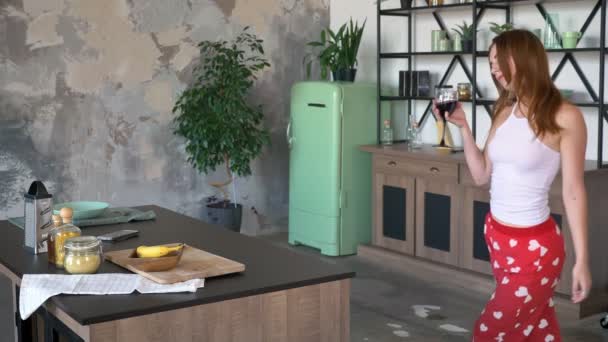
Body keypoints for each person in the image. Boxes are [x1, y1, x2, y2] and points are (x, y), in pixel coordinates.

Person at [432, 29, 591, 341]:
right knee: (536, 328)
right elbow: (481, 176)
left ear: (523, 59)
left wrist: (582, 261)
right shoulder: (504, 110)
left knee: (489, 332)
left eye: (498, 60)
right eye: (490, 62)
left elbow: (574, 192)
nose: (493, 68)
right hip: (498, 238)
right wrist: (464, 127)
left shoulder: (565, 116)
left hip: (536, 249)